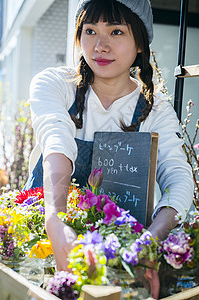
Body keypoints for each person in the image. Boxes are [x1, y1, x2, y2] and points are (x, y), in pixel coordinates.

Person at [25, 0, 193, 298]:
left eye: (116, 32)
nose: (100, 46)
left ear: (140, 43)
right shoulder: (55, 84)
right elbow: (57, 140)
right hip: (39, 246)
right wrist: (55, 219)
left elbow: (178, 178)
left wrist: (150, 242)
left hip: (114, 262)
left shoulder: (156, 110)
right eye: (90, 31)